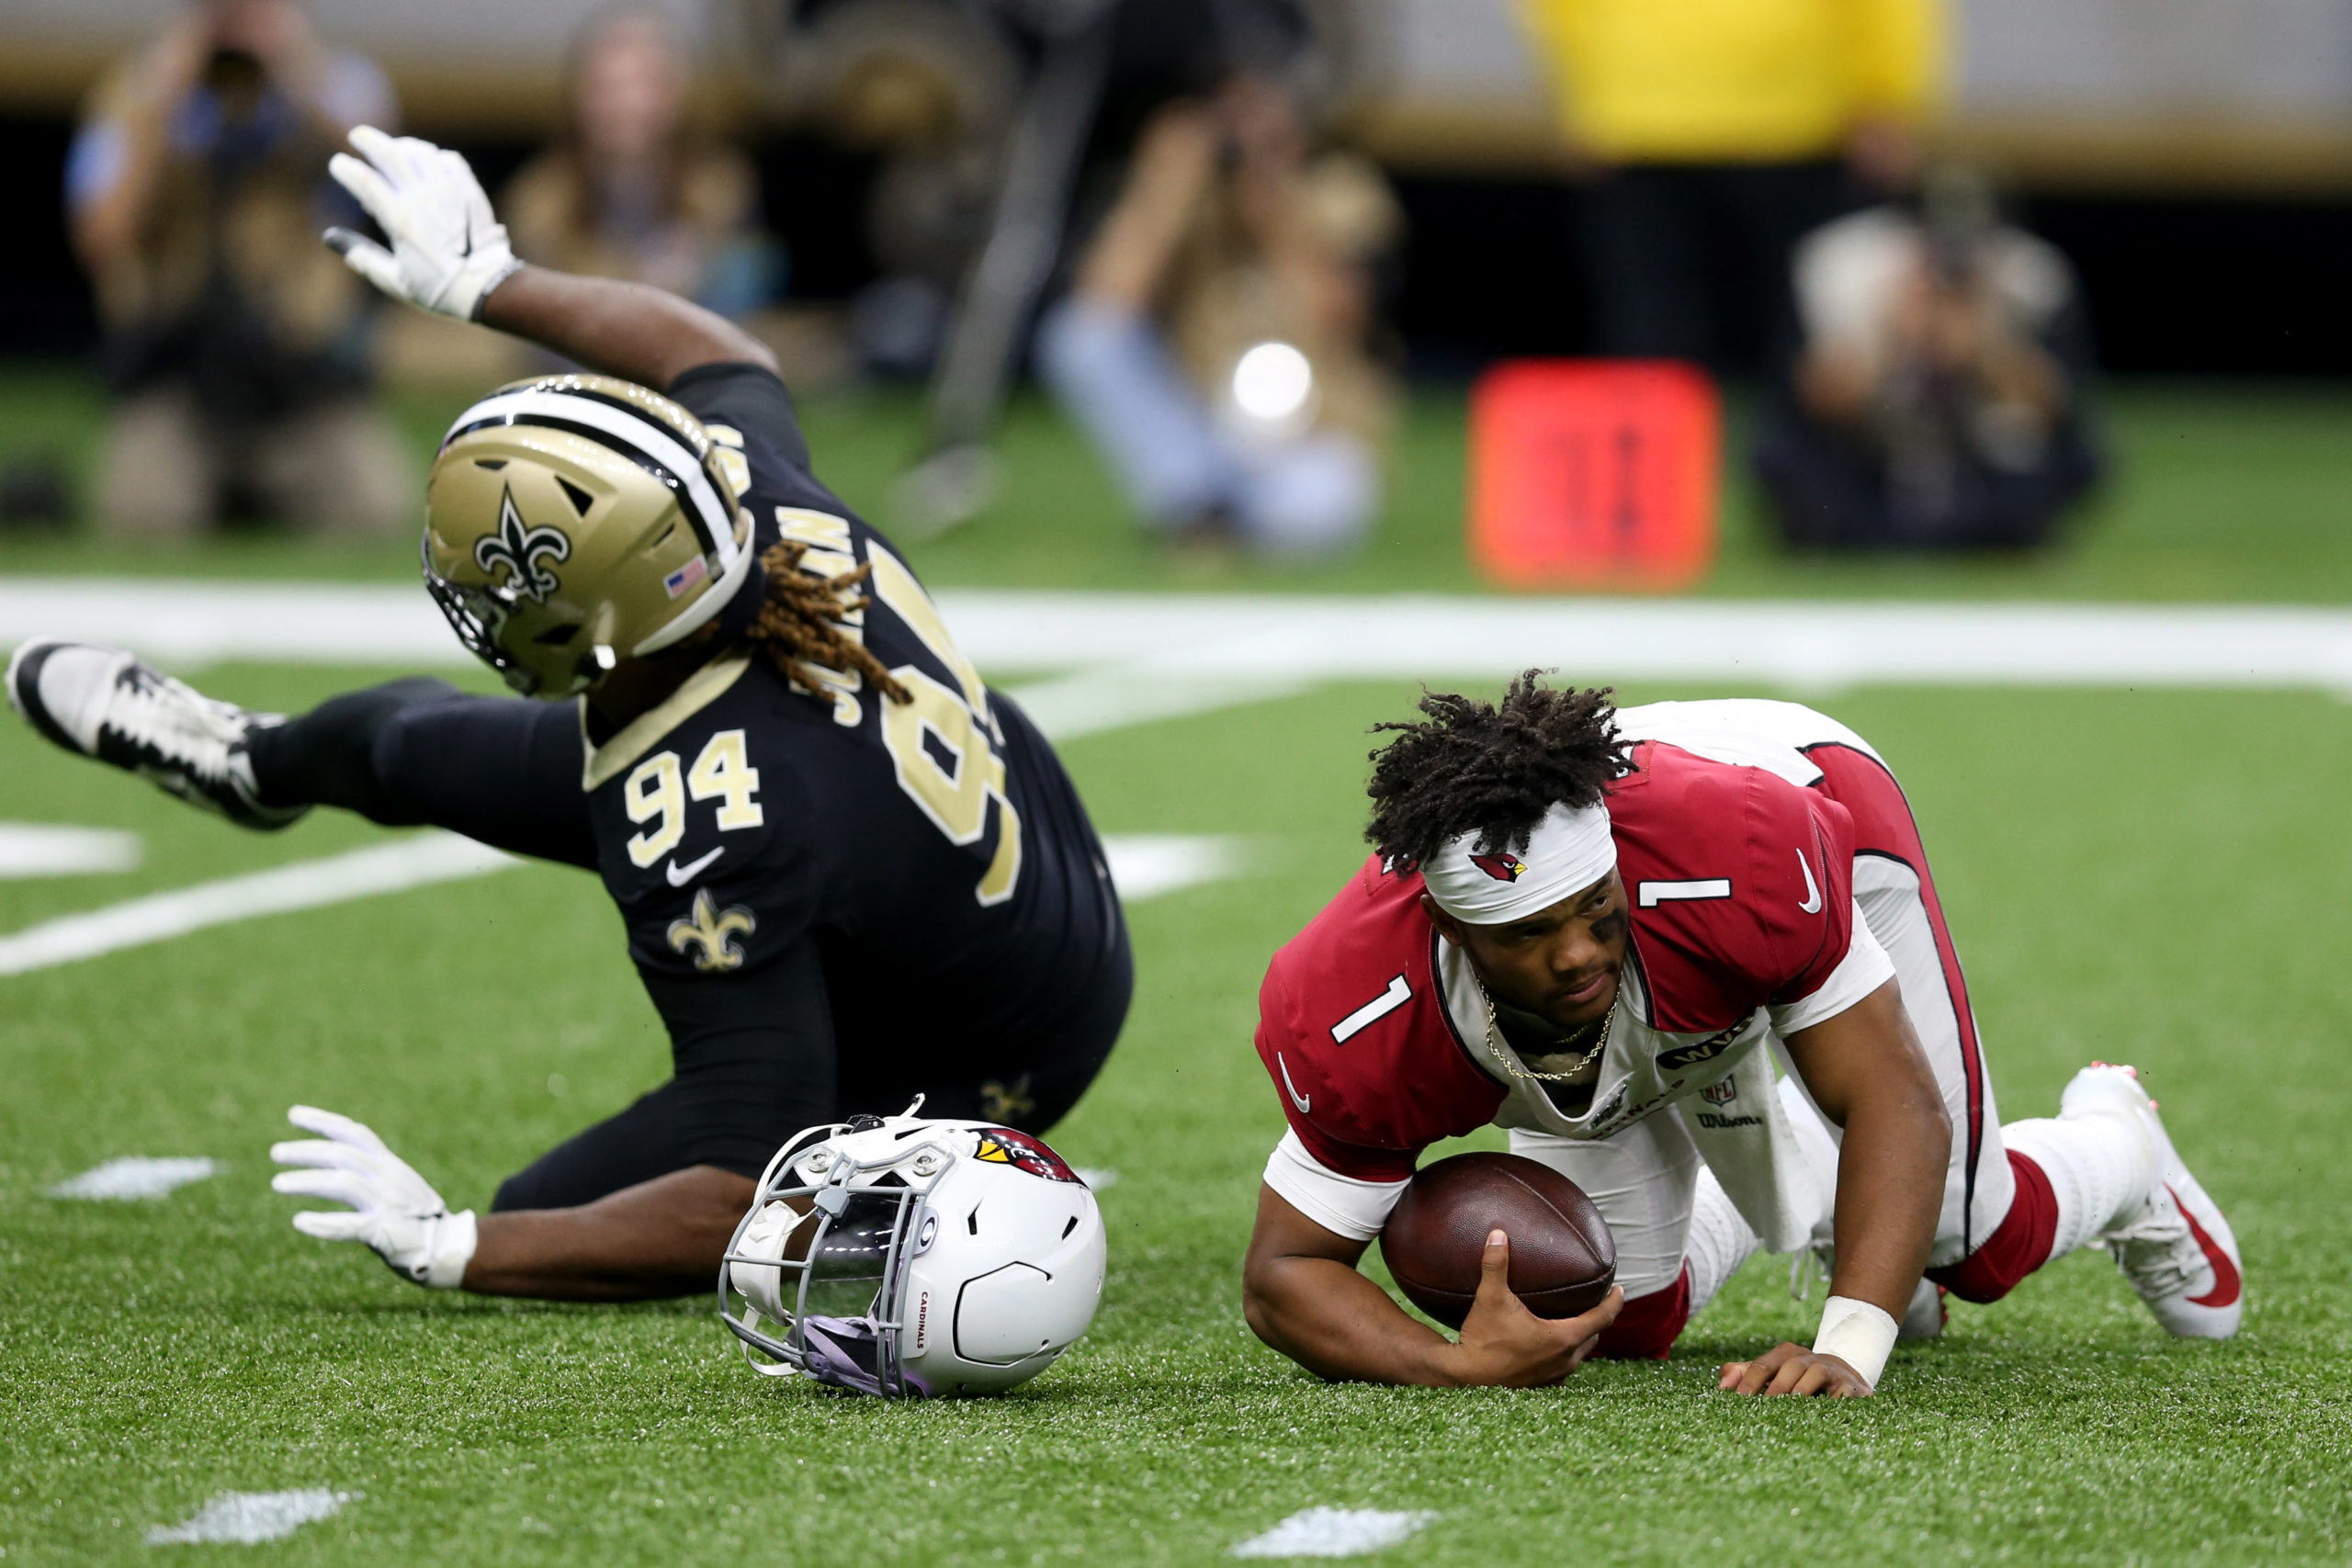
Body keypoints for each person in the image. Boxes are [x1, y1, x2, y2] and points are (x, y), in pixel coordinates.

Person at [6, 129, 1130, 1303]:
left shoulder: (714, 812)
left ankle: (905, 1199)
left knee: (553, 1211)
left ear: (593, 621)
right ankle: (249, 765)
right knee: (404, 744)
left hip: (993, 1040)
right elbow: (717, 350)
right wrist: (489, 284)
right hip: (992, 841)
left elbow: (736, 1179)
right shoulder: (751, 507)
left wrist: (461, 1248)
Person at [1241, 678, 2241, 1394]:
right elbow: (1284, 1277)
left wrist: (1850, 1340)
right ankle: (1820, 1192)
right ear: (1447, 927)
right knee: (1608, 1320)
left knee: (1965, 1241)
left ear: (1614, 870)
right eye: (1529, 936)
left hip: (1809, 802)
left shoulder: (1738, 860)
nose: (1576, 955)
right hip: (1669, 926)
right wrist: (1454, 1365)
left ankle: (2121, 1142)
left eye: (1594, 911)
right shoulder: (1352, 1005)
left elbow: (1893, 1099)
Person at [65, 0, 413, 536]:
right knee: (139, 517)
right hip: (178, 388)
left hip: (305, 387)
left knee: (377, 509)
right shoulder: (139, 88)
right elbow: (103, 237)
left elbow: (397, 199)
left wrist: (294, 70)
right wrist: (166, 101)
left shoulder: (337, 81)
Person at [1036, 77, 1400, 558]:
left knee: (1325, 502)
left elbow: (1339, 314)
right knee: (1079, 338)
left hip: (1311, 438)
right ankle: (1201, 509)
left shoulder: (1339, 190)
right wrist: (1164, 183)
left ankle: (1222, 529)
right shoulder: (1194, 204)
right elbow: (1105, 304)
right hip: (1205, 435)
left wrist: (1271, 207)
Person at [1517, 0, 1942, 372]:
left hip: (1784, 121)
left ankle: (1797, 461)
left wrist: (1886, 96)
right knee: (1656, 336)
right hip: (1685, 119)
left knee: (1807, 335)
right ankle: (1663, 460)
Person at [1753, 168, 2102, 550]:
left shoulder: (2030, 277)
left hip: (1980, 450)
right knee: (1789, 462)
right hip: (1869, 445)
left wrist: (1985, 350)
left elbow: (2057, 405)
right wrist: (1889, 341)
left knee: (2065, 466)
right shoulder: (1842, 265)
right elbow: (1813, 400)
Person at [502, 6, 779, 323]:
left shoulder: (718, 182)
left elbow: (737, 275)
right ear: (579, 95)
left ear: (677, 92)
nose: (628, 105)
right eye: (609, 88)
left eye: (645, 85)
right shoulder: (541, 195)